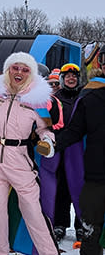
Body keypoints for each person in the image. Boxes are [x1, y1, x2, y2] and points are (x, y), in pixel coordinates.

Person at [0, 52, 58, 255]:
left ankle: (49, 252)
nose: (19, 72)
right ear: (8, 69)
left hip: (20, 160)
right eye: (16, 67)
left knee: (33, 212)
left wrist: (48, 142)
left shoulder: (38, 100)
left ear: (31, 74)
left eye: (25, 70)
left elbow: (46, 129)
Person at [55, 52, 105, 255]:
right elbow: (73, 132)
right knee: (91, 231)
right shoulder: (91, 98)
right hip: (96, 177)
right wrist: (51, 144)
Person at [41, 63, 85, 243]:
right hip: (59, 147)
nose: (71, 78)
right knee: (61, 186)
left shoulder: (84, 97)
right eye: (67, 76)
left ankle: (81, 225)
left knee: (81, 186)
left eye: (74, 76)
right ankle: (59, 223)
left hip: (80, 148)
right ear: (62, 79)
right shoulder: (54, 98)